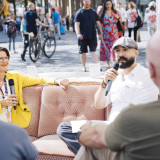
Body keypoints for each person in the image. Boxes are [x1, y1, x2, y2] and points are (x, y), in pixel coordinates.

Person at [57, 37, 159, 154]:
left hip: (131, 131)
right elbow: (99, 104)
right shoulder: (115, 75)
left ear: (136, 53)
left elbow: (137, 116)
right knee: (64, 129)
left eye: (125, 50)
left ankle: (102, 152)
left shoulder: (146, 77)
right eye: (117, 51)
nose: (120, 54)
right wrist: (104, 82)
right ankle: (104, 153)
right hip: (110, 128)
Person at [0, 47, 69, 128]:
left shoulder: (15, 77)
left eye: (6, 58)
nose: (5, 61)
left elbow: (39, 80)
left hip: (12, 123)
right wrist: (2, 104)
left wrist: (56, 81)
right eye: (0, 58)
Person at [75, 0, 103, 72]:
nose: (87, 2)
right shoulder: (79, 12)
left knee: (93, 51)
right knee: (83, 52)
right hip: (82, 36)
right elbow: (77, 24)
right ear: (83, 2)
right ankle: (84, 67)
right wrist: (78, 33)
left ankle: (96, 66)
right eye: (85, 1)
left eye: (88, 1)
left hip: (92, 35)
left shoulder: (93, 12)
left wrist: (100, 33)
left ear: (90, 2)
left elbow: (98, 23)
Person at [99, 0, 121, 70]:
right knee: (107, 49)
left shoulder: (116, 12)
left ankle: (114, 63)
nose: (108, 6)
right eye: (107, 4)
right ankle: (108, 64)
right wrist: (99, 33)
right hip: (105, 34)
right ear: (104, 5)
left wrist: (118, 17)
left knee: (114, 47)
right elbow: (98, 23)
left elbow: (121, 21)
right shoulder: (101, 13)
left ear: (112, 4)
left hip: (114, 33)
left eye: (109, 4)